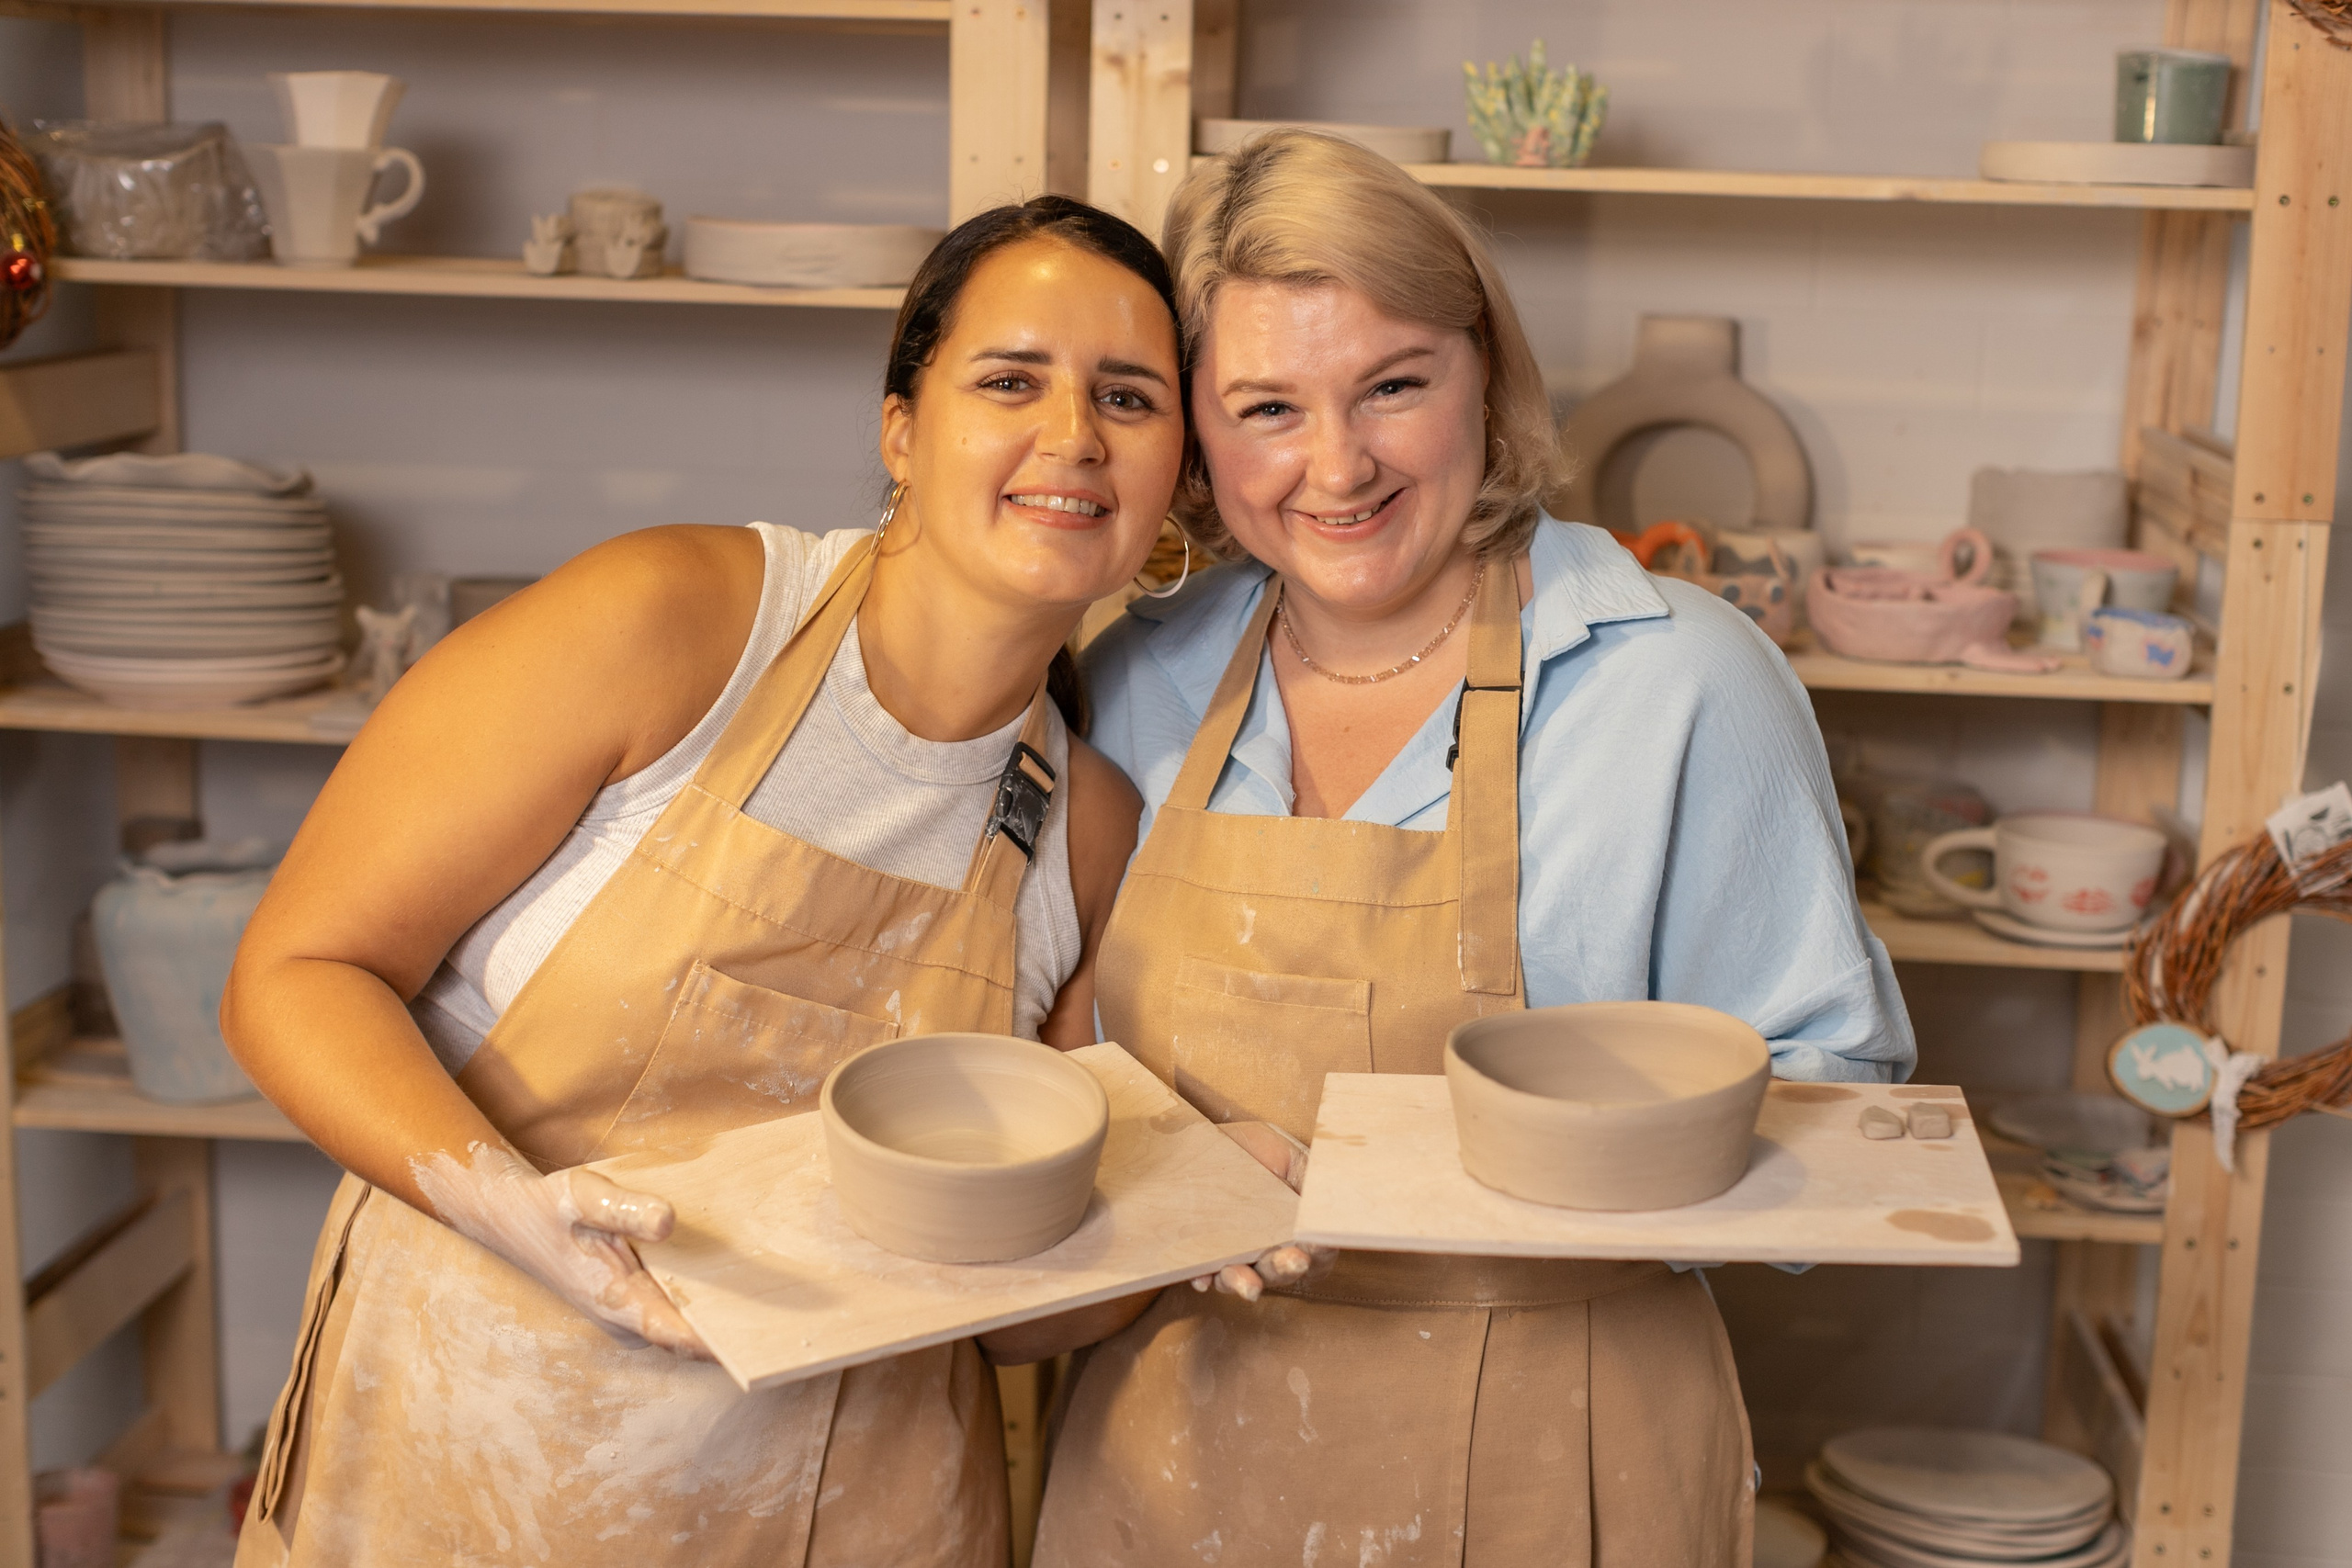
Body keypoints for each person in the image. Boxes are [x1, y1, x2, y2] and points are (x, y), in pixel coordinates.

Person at [222, 195, 1179, 1566]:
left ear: (1176, 472)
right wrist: (513, 1207)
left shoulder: (1085, 827)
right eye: (1010, 381)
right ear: (901, 431)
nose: (1075, 434)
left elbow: (1019, 1312)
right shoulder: (673, 624)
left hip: (857, 1514)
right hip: (471, 1474)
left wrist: (1197, 1217)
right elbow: (295, 973)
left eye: (1129, 397)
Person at [1033, 130, 1915, 1565]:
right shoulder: (1139, 675)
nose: (1338, 465)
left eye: (1395, 385)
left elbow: (1840, 1095)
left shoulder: (1679, 680)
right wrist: (1169, 1171)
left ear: (1485, 377)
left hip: (1553, 1450)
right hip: (1174, 1454)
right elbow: (1051, 1069)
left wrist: (1562, 1154)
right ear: (1197, 429)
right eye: (1267, 408)